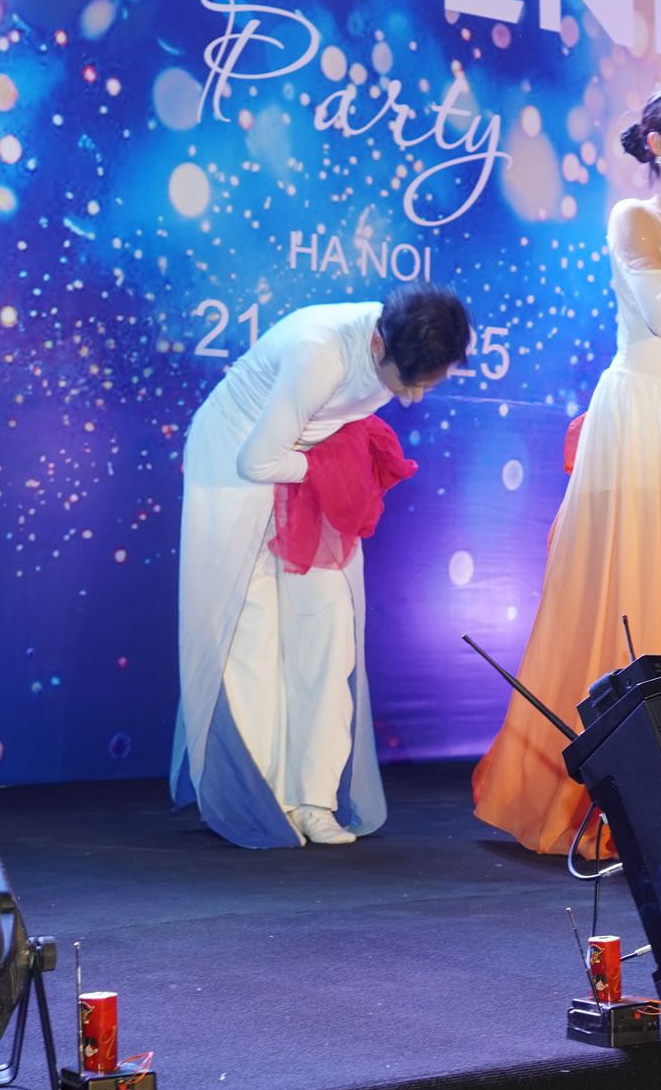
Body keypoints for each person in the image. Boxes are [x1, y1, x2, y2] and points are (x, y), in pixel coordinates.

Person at [472, 82, 661, 856]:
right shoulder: (636, 218)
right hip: (635, 424)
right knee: (626, 602)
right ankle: (607, 803)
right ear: (658, 143)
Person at [172, 284, 470, 848]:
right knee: (250, 635)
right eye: (407, 383)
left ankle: (314, 799)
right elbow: (256, 459)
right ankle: (266, 797)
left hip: (307, 460)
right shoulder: (319, 353)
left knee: (329, 631)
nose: (413, 398)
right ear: (378, 344)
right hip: (237, 464)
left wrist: (329, 469)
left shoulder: (402, 340)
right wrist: (328, 475)